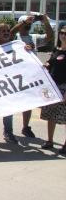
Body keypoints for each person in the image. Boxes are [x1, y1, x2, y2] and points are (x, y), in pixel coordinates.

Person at [11, 14, 54, 138]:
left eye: (29, 24)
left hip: (29, 75)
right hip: (15, 75)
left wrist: (45, 22)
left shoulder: (33, 38)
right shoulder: (15, 38)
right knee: (11, 102)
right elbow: (12, 32)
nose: (28, 26)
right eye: (26, 24)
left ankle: (25, 127)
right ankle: (8, 129)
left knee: (28, 102)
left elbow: (49, 37)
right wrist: (24, 22)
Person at [40, 26, 66, 154]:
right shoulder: (56, 49)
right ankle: (50, 140)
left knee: (64, 116)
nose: (64, 35)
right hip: (52, 86)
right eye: (62, 33)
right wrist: (46, 64)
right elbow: (50, 63)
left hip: (64, 87)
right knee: (51, 115)